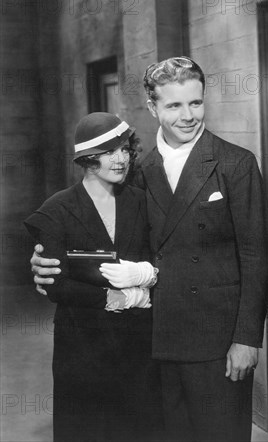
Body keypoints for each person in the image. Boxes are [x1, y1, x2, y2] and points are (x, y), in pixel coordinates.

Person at [30, 56, 268, 442]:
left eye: (195, 102)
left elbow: (256, 256)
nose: (188, 115)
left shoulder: (236, 163)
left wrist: (246, 339)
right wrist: (47, 260)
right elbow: (103, 238)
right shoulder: (138, 170)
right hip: (153, 340)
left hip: (217, 341)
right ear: (153, 107)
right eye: (174, 105)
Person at [23, 113, 162, 441]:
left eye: (125, 150)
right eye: (109, 151)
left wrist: (148, 277)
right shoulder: (56, 210)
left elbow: (161, 257)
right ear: (87, 158)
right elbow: (56, 283)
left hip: (138, 348)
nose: (121, 158)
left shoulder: (142, 203)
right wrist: (117, 298)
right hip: (82, 350)